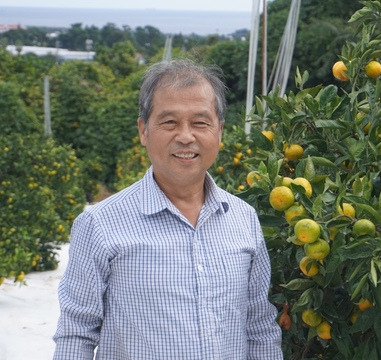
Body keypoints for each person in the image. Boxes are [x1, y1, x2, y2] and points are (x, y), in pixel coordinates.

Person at [53, 59, 283, 359]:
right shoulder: (100, 224)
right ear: (143, 131)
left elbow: (259, 329)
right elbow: (77, 333)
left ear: (220, 132)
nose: (186, 136)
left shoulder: (243, 219)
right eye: (170, 122)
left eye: (200, 123)